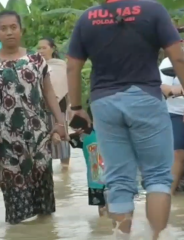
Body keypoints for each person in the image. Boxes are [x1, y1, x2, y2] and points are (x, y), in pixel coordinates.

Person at [66, 0, 184, 238]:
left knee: (118, 179)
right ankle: (154, 237)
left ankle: (121, 236)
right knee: (158, 176)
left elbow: (72, 67)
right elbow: (177, 58)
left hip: (104, 103)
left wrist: (77, 107)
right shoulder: (153, 10)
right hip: (146, 100)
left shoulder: (88, 17)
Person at [0, 10, 67, 224]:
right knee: (13, 192)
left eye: (13, 27)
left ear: (21, 30)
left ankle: (45, 234)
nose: (9, 32)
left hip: (38, 136)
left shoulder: (36, 60)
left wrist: (60, 122)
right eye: (3, 28)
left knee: (43, 194)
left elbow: (49, 93)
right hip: (5, 139)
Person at [38, 37, 71, 169]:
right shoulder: (35, 66)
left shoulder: (61, 65)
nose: (41, 51)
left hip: (60, 108)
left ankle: (65, 172)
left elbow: (66, 86)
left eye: (44, 48)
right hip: (41, 108)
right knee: (44, 143)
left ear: (52, 48)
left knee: (62, 143)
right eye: (39, 48)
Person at [69, 104, 106, 217]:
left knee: (103, 209)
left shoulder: (85, 134)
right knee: (113, 209)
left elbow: (69, 139)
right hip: (110, 179)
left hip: (97, 182)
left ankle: (104, 230)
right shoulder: (115, 133)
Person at [159, 43, 184, 195]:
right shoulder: (169, 63)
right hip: (174, 112)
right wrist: (175, 90)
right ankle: (168, 196)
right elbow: (159, 86)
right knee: (177, 152)